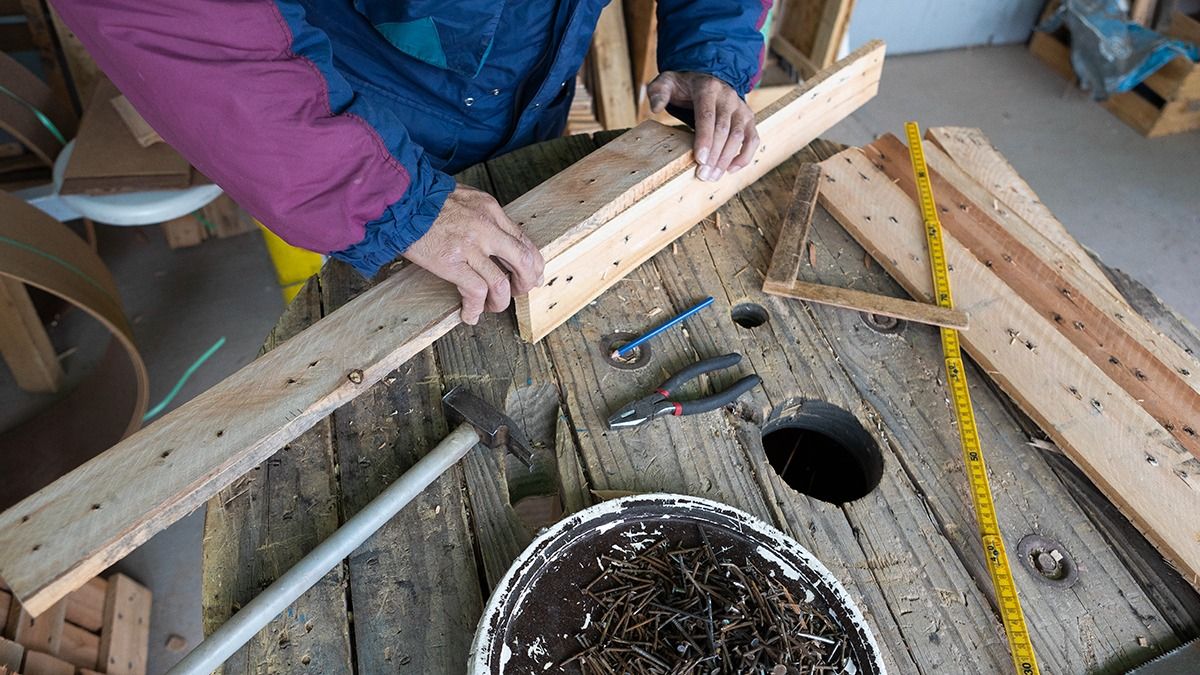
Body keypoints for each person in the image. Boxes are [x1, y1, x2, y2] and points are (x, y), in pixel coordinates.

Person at [54, 1, 768, 324]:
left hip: (525, 89)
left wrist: (714, 45)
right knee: (349, 333)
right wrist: (376, 197)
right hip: (337, 134)